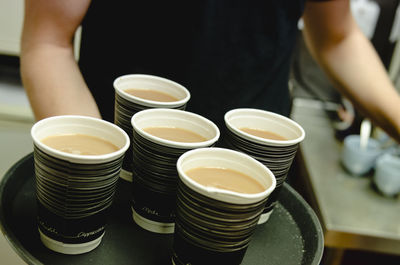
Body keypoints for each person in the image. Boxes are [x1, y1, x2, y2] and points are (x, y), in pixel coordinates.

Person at [20, 0, 400, 143]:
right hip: (123, 164)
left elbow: (337, 35)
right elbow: (48, 42)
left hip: (255, 164)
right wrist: (95, 175)